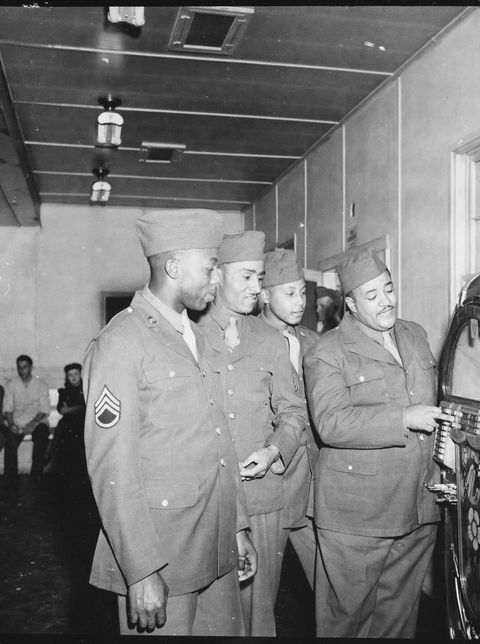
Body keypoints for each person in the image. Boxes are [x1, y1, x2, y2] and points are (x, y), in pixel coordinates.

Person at [83, 208, 256, 636]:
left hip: (214, 548)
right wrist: (140, 570)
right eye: (211, 268)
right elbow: (113, 470)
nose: (218, 280)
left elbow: (221, 440)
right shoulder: (121, 342)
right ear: (174, 266)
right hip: (162, 557)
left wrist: (237, 526)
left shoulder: (196, 336)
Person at [303, 248, 453, 638]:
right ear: (350, 304)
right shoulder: (327, 351)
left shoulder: (414, 333)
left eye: (388, 289)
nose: (386, 301)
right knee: (345, 623)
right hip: (358, 516)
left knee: (398, 621)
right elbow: (330, 423)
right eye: (371, 296)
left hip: (418, 506)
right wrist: (403, 418)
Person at [196, 231, 309, 637]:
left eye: (259, 278)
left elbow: (294, 410)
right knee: (212, 619)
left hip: (262, 500)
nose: (256, 288)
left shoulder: (269, 340)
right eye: (245, 277)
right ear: (216, 276)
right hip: (207, 501)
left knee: (259, 617)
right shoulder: (188, 336)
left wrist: (274, 450)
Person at [259, 249, 321, 591]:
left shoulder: (313, 342)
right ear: (265, 296)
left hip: (313, 484)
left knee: (330, 591)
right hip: (274, 481)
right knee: (262, 592)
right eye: (289, 293)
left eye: (302, 291)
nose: (300, 301)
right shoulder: (248, 339)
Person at [2, 355, 51, 483]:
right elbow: (7, 407)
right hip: (17, 420)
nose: (21, 370)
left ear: (31, 367)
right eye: (19, 367)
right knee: (10, 439)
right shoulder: (11, 384)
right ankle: (11, 477)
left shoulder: (41, 385)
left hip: (37, 421)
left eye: (25, 367)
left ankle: (36, 474)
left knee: (41, 436)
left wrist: (32, 424)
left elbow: (44, 409)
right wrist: (12, 424)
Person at [44, 363, 86, 475]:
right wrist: (80, 408)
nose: (73, 377)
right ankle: (55, 461)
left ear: (81, 374)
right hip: (69, 422)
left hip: (84, 421)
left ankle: (52, 457)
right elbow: (62, 410)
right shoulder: (64, 391)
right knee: (64, 428)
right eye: (70, 375)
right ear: (66, 377)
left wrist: (71, 408)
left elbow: (88, 408)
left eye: (76, 374)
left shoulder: (87, 388)